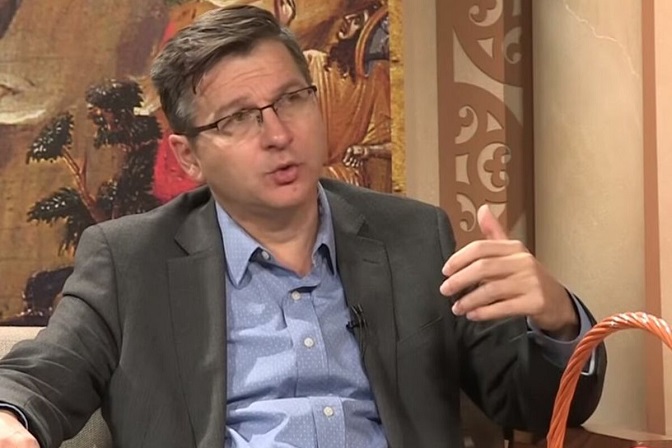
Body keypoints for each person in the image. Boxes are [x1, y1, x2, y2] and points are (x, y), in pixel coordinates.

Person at [0, 5, 606, 448]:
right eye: (238, 118)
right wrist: (11, 420)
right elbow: (43, 375)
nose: (278, 134)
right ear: (188, 157)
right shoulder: (130, 260)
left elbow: (535, 404)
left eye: (292, 99)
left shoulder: (414, 238)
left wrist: (557, 319)